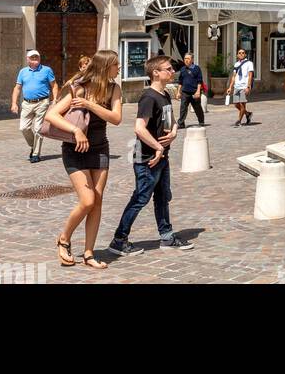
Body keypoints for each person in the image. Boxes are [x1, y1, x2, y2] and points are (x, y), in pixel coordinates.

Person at [45, 49, 123, 269]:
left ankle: (88, 254)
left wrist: (90, 105)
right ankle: (64, 238)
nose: (119, 68)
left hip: (99, 148)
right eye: (116, 65)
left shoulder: (113, 88)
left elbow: (116, 118)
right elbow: (51, 115)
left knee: (97, 201)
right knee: (87, 200)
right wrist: (76, 130)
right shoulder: (77, 87)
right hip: (75, 150)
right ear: (105, 66)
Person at [108, 54, 190, 255]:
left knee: (163, 197)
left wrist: (173, 132)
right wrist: (158, 147)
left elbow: (170, 122)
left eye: (172, 69)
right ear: (156, 73)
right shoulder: (148, 97)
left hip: (161, 157)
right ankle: (119, 239)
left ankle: (167, 236)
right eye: (168, 69)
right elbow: (139, 128)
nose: (172, 72)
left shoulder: (165, 95)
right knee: (141, 197)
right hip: (146, 157)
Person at [10, 49, 57, 163]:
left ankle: (35, 154)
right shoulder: (23, 72)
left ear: (39, 58)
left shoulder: (47, 70)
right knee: (23, 128)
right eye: (32, 58)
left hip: (42, 102)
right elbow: (17, 88)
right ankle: (33, 145)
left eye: (36, 57)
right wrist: (14, 103)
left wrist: (55, 99)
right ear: (28, 59)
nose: (35, 59)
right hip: (27, 103)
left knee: (38, 129)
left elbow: (54, 85)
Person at [176, 53, 206, 129]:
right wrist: (178, 92)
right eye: (185, 58)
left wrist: (198, 91)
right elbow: (180, 82)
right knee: (183, 108)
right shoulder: (182, 69)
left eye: (188, 59)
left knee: (197, 108)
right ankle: (181, 123)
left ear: (192, 60)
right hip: (185, 92)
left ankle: (201, 121)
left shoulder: (197, 68)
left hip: (194, 91)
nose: (186, 60)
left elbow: (200, 81)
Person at [231, 47, 254, 127]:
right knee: (236, 104)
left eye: (243, 53)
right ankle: (248, 114)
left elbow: (250, 75)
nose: (241, 54)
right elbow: (234, 76)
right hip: (237, 86)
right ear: (237, 55)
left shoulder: (249, 63)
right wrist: (230, 87)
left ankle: (239, 121)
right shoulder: (236, 64)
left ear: (245, 54)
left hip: (244, 86)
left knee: (242, 104)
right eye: (239, 53)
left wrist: (248, 86)